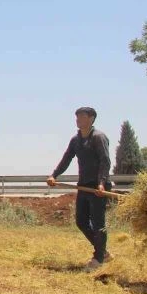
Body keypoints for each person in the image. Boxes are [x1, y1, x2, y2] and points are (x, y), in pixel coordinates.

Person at [46, 106, 112, 272]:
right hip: (83, 186)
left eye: (81, 117)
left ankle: (98, 258)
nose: (77, 120)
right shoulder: (76, 140)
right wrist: (54, 175)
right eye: (76, 117)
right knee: (81, 221)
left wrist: (101, 183)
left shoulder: (98, 137)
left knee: (98, 223)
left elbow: (105, 161)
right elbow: (67, 158)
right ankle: (103, 252)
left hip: (98, 187)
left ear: (91, 118)